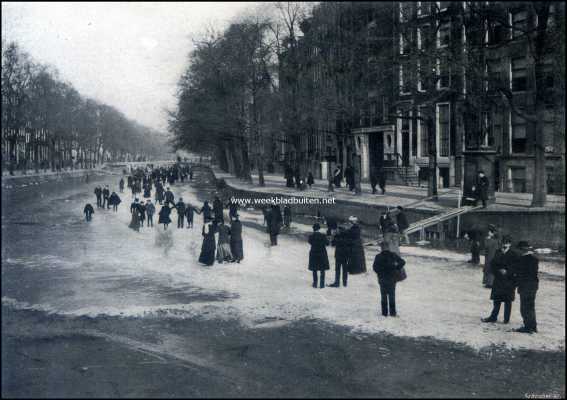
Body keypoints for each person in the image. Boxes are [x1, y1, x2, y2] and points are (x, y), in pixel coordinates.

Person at [482, 236, 517, 324]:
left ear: (510, 244)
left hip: (509, 281)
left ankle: (506, 319)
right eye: (504, 242)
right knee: (496, 300)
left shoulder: (514, 254)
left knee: (508, 301)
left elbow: (516, 267)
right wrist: (498, 271)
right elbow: (492, 264)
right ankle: (493, 317)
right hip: (498, 279)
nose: (505, 244)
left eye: (507, 242)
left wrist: (507, 271)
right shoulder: (498, 252)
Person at [373, 241, 406, 317]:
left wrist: (380, 273)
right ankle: (392, 313)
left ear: (381, 248)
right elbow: (402, 262)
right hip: (392, 278)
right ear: (388, 247)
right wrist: (396, 267)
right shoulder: (393, 255)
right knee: (392, 295)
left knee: (383, 296)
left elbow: (375, 268)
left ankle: (384, 313)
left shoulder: (378, 256)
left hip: (382, 279)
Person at [513, 241, 539, 333]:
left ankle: (527, 327)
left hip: (525, 286)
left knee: (524, 307)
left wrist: (515, 282)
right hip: (534, 285)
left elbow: (521, 274)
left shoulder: (523, 259)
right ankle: (533, 326)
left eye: (519, 249)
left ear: (522, 249)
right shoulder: (535, 258)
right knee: (531, 306)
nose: (518, 252)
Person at [308, 223, 330, 289]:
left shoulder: (311, 236)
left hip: (314, 253)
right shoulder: (323, 236)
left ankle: (315, 283)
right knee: (322, 269)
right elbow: (327, 243)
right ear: (319, 228)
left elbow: (310, 242)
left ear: (313, 229)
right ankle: (322, 284)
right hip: (322, 253)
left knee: (314, 269)